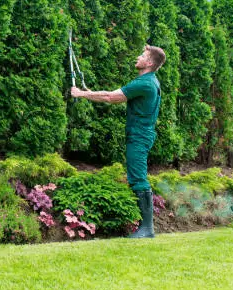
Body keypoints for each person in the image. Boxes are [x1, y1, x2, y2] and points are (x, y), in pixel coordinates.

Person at [71, 45, 166, 238]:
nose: (138, 57)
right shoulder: (149, 81)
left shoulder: (145, 83)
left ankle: (147, 228)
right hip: (141, 135)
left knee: (138, 179)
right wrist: (91, 93)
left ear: (149, 63)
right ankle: (145, 227)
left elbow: (111, 96)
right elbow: (112, 94)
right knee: (137, 177)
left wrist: (81, 94)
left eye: (143, 55)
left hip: (139, 136)